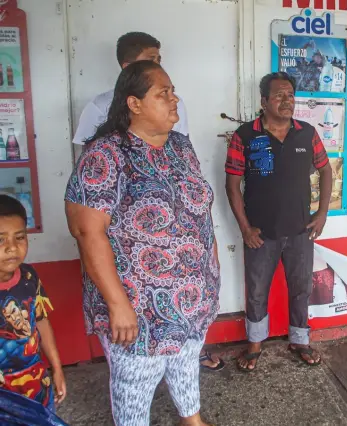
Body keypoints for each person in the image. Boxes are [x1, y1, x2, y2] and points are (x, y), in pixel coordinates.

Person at [65, 60, 218, 426]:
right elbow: (87, 232)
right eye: (163, 93)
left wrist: (211, 269)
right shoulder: (107, 154)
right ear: (134, 103)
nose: (174, 98)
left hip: (192, 294)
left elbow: (199, 209)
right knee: (136, 381)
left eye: (172, 91)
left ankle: (191, 420)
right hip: (138, 304)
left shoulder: (181, 146)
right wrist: (118, 305)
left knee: (185, 359)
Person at [225, 72, 332, 372]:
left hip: (300, 231)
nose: (287, 101)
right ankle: (255, 344)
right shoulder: (244, 136)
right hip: (261, 233)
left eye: (290, 95)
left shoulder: (307, 132)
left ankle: (300, 340)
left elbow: (326, 171)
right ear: (263, 101)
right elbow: (232, 185)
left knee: (301, 288)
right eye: (279, 96)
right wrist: (245, 228)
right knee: (257, 290)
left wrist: (321, 214)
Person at [0, 195, 66, 412]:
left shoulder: (29, 276)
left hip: (36, 384)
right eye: (0, 239)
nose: (11, 248)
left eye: (19, 237)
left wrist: (57, 368)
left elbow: (41, 323)